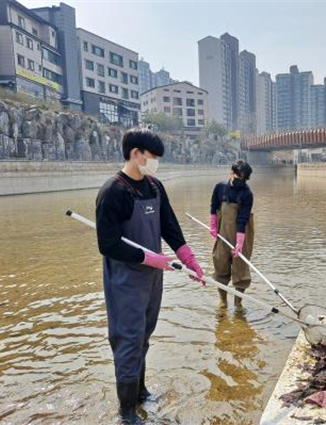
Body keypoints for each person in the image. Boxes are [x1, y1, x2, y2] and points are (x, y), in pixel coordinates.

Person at [95, 128, 204, 424]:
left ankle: (140, 391)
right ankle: (127, 412)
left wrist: (189, 258)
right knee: (128, 339)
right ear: (135, 154)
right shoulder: (113, 192)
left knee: (144, 336)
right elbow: (107, 243)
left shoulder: (154, 186)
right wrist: (148, 257)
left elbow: (169, 226)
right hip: (125, 280)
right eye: (152, 156)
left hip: (153, 278)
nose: (156, 161)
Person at [209, 160, 254, 308]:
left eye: (244, 179)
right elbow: (213, 207)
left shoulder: (247, 194)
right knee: (220, 262)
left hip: (242, 231)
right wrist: (213, 225)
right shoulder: (220, 188)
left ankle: (238, 304)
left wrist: (239, 242)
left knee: (240, 268)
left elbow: (242, 218)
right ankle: (223, 301)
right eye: (238, 177)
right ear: (231, 173)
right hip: (223, 231)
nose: (240, 181)